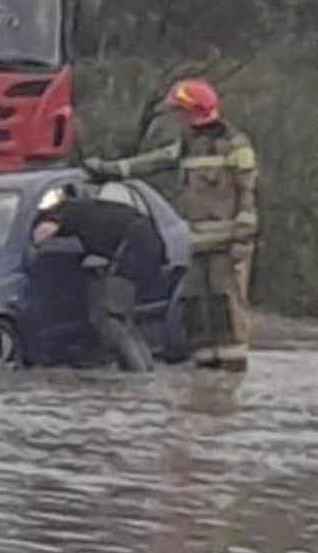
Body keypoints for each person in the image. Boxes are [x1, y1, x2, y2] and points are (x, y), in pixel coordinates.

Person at [85, 79, 258, 372]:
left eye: (179, 113)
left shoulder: (235, 146)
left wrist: (241, 238)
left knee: (225, 311)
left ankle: (229, 380)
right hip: (197, 245)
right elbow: (152, 162)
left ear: (194, 114)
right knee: (196, 311)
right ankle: (205, 379)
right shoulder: (187, 147)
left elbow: (248, 194)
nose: (176, 120)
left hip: (227, 248)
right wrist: (110, 169)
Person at [33, 187, 166, 372]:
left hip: (132, 246)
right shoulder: (88, 208)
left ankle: (138, 375)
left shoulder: (64, 211)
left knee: (105, 318)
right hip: (149, 240)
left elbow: (40, 235)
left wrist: (33, 238)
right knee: (123, 318)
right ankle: (147, 369)